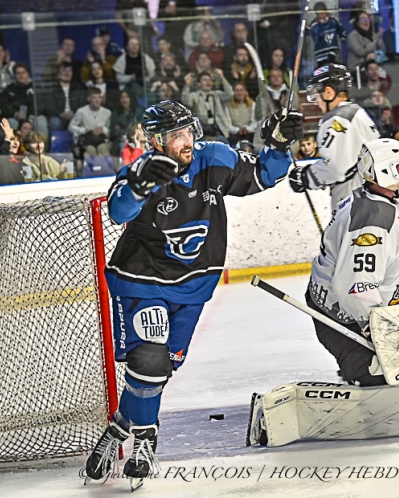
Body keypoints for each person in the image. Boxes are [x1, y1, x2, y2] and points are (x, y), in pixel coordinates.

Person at [81, 100, 302, 489]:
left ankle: (120, 427)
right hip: (143, 281)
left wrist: (279, 145)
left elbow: (265, 174)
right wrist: (138, 185)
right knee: (148, 359)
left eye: (188, 132)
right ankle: (146, 439)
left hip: (194, 286)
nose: (186, 141)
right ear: (156, 141)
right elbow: (118, 210)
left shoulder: (213, 158)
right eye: (176, 135)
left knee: (161, 369)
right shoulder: (143, 171)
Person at [247, 138, 399, 448]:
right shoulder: (372, 223)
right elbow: (355, 288)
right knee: (379, 377)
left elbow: (385, 261)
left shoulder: (380, 200)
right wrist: (383, 337)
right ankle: (371, 376)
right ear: (380, 172)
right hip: (343, 320)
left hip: (379, 302)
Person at [289, 64, 380, 214]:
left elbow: (336, 167)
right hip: (370, 198)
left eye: (317, 94)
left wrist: (306, 177)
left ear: (329, 92)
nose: (315, 101)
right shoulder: (356, 112)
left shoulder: (338, 118)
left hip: (356, 203)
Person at [181, 70, 233, 142]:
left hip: (217, 129)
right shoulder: (194, 96)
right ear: (199, 84)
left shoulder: (217, 94)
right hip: (202, 130)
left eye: (210, 80)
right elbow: (186, 101)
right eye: (205, 80)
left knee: (224, 142)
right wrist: (187, 84)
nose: (208, 82)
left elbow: (230, 94)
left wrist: (222, 77)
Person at [69, 87, 113, 157]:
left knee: (102, 148)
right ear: (89, 99)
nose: (97, 100)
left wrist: (102, 129)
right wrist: (84, 130)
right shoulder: (81, 111)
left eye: (99, 97)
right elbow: (71, 127)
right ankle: (92, 167)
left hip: (103, 140)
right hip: (87, 141)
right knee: (90, 149)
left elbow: (111, 130)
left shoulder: (107, 112)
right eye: (94, 98)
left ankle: (104, 167)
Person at [43, 63, 87, 133]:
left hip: (75, 115)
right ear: (58, 74)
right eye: (64, 70)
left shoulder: (78, 87)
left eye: (69, 71)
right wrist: (61, 114)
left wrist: (75, 113)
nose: (67, 73)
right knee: (55, 122)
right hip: (58, 117)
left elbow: (83, 104)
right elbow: (49, 107)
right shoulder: (51, 88)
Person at [225, 82, 258, 146]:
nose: (239, 93)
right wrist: (237, 130)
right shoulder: (228, 106)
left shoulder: (253, 104)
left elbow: (255, 122)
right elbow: (227, 124)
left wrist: (247, 129)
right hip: (234, 134)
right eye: (237, 91)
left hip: (249, 133)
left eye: (241, 90)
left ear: (245, 92)